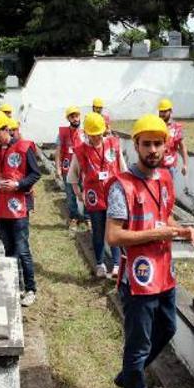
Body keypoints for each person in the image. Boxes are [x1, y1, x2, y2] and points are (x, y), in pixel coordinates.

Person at [106, 114, 194, 388]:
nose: (153, 150)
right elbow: (114, 236)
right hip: (138, 278)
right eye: (146, 144)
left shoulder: (165, 180)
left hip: (164, 274)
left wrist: (182, 230)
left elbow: (163, 217)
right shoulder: (121, 185)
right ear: (136, 145)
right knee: (139, 343)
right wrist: (156, 235)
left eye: (158, 144)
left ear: (166, 146)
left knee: (168, 327)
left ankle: (128, 373)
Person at [0, 111, 41, 307]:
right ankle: (16, 284)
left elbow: (35, 174)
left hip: (18, 208)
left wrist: (17, 185)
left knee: (22, 249)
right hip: (0, 208)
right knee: (8, 249)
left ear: (6, 129)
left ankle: (30, 289)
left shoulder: (24, 147)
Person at [67, 112, 127, 278]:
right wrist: (77, 191)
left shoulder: (114, 146)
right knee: (98, 230)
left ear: (105, 130)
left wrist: (127, 190)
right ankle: (100, 264)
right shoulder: (81, 151)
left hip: (113, 194)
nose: (96, 138)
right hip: (94, 196)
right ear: (86, 133)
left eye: (98, 134)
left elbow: (123, 169)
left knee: (114, 230)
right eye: (92, 135)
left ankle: (116, 265)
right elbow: (73, 174)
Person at [55, 106, 87, 230]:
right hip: (67, 169)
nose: (75, 119)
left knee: (86, 192)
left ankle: (87, 217)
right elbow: (58, 152)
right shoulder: (62, 134)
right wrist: (58, 168)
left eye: (76, 116)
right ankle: (74, 217)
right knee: (70, 194)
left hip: (83, 169)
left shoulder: (85, 133)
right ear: (68, 118)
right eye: (72, 116)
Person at [157, 99, 188, 178]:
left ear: (170, 111)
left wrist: (185, 164)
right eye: (161, 111)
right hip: (155, 166)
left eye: (165, 111)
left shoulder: (176, 127)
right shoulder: (155, 126)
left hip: (170, 168)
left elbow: (182, 147)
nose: (162, 114)